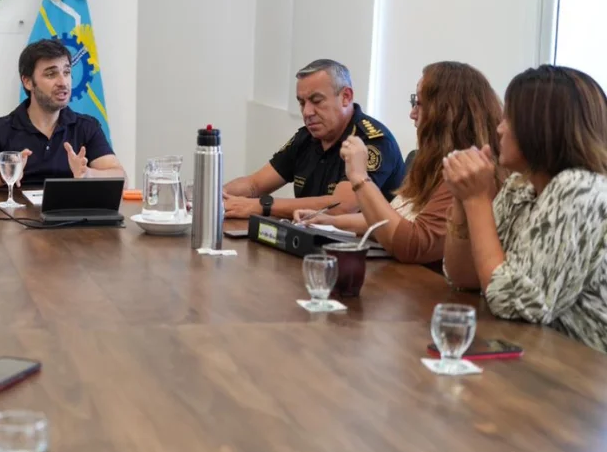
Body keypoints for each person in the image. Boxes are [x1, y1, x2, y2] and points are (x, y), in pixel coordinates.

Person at [443, 65, 607, 353]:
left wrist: (477, 199)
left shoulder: (580, 188)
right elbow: (464, 278)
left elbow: (515, 302)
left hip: (581, 371)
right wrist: (462, 197)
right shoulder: (521, 186)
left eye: (509, 118)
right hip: (534, 354)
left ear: (542, 126)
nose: (499, 128)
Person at [293, 62, 502, 266]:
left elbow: (414, 244)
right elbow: (393, 220)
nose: (412, 114)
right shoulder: (430, 162)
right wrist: (329, 221)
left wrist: (359, 178)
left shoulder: (468, 172)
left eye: (419, 104)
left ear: (447, 113)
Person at [223, 59, 404, 219]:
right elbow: (255, 184)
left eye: (316, 101)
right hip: (310, 242)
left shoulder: (372, 141)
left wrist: (262, 206)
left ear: (346, 97)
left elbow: (341, 207)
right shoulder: (306, 137)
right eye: (302, 103)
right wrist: (213, 197)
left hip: (364, 251)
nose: (307, 112)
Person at [0, 39, 125, 189]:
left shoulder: (87, 127)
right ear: (28, 82)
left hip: (70, 216)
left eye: (67, 72)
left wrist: (87, 174)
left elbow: (121, 177)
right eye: (51, 74)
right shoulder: (0, 129)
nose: (63, 82)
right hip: (16, 216)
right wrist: (6, 172)